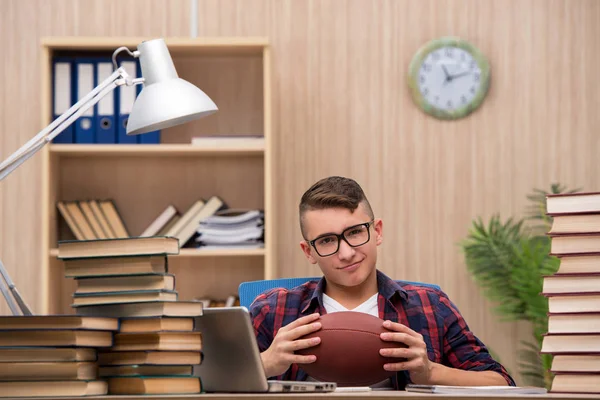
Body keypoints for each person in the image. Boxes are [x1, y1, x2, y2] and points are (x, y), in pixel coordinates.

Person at [249, 176, 515, 389]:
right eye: (327, 240)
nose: (346, 253)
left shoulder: (430, 305)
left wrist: (430, 372)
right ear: (309, 252)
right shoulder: (273, 310)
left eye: (354, 233)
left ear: (377, 231)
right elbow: (209, 382)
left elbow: (500, 382)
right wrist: (266, 363)